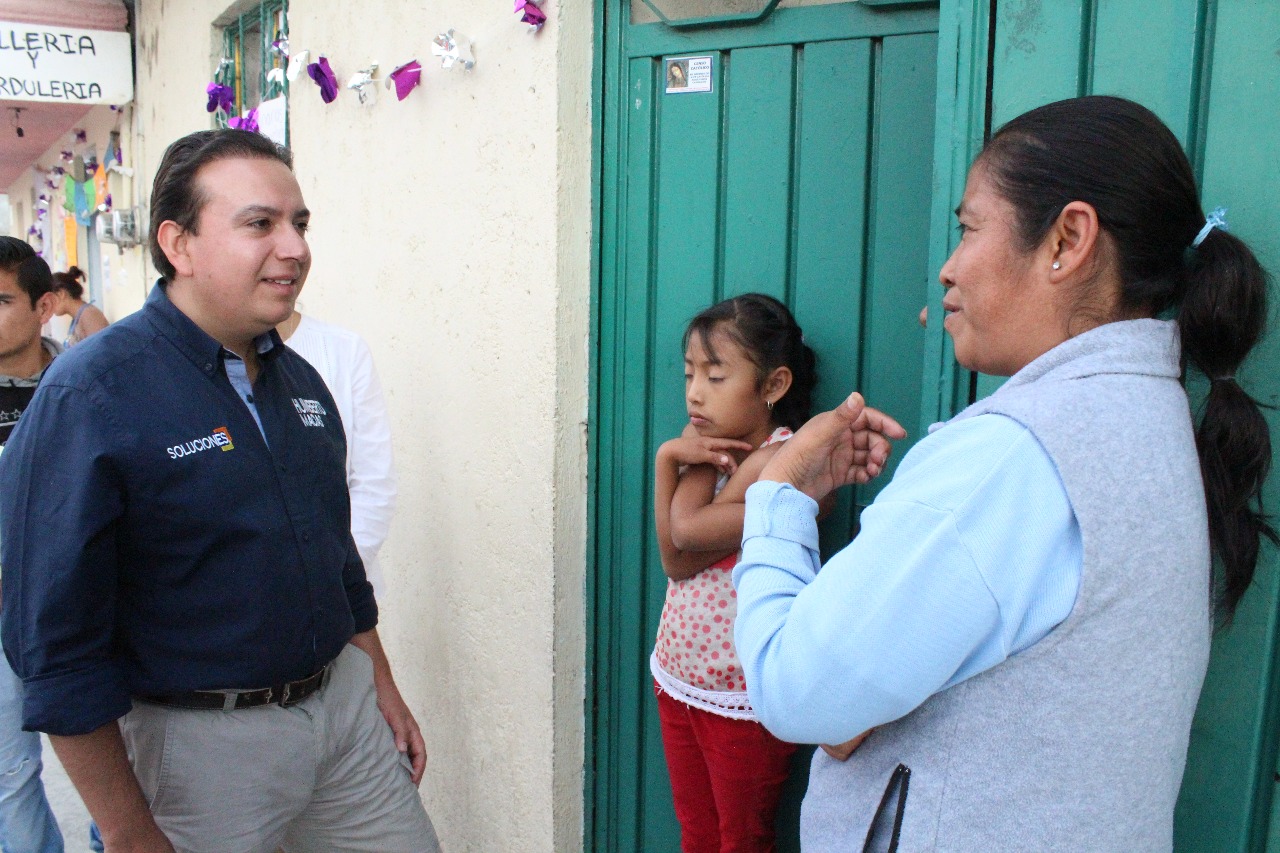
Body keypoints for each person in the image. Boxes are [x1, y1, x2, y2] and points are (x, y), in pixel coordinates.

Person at [732, 95, 1274, 850]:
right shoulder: (1154, 421)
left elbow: (794, 687)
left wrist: (777, 494)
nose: (948, 270)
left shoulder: (1009, 461)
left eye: (968, 227)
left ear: (1068, 239)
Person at [0, 129, 440, 853]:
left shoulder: (301, 383)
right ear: (179, 243)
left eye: (299, 223)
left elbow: (337, 561)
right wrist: (128, 830)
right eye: (260, 223)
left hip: (346, 719)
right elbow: (54, 644)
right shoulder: (91, 393)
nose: (294, 246)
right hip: (200, 750)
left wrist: (381, 682)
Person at [651, 293, 817, 853]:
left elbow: (691, 530)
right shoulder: (703, 443)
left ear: (773, 386)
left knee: (740, 839)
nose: (695, 392)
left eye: (716, 376)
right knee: (696, 833)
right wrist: (670, 460)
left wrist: (674, 459)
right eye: (690, 373)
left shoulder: (785, 462)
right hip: (679, 675)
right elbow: (675, 557)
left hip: (742, 692)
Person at [0, 237, 63, 853]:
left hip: (91, 607)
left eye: (0, 299)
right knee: (9, 777)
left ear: (44, 307)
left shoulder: (86, 381)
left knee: (129, 761)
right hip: (0, 615)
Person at [276, 308, 396, 599]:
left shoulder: (344, 350)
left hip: (340, 600)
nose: (292, 259)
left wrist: (331, 579)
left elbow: (374, 482)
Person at [49, 266, 108, 347]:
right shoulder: (77, 318)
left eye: (50, 299)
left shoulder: (89, 315)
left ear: (61, 294)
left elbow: (101, 350)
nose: (49, 305)